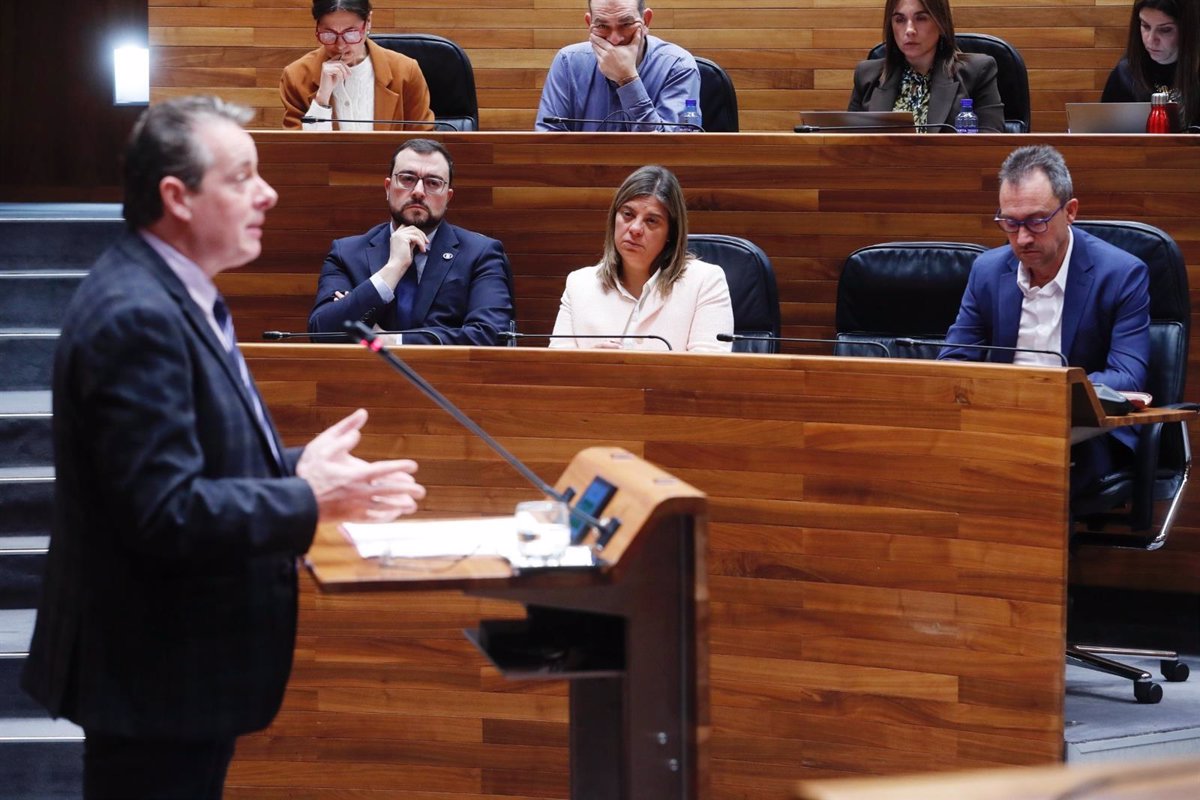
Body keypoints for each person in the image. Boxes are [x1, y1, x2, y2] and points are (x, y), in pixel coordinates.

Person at [20, 95, 426, 800]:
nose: (267, 193)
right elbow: (161, 512)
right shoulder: (135, 315)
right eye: (242, 177)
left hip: (173, 668)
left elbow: (186, 460)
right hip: (152, 674)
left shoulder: (174, 290)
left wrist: (297, 466)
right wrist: (307, 499)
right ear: (177, 196)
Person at [939, 144, 1151, 497]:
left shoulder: (1121, 274)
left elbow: (1127, 376)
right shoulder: (987, 272)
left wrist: (1037, 396)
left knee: (1027, 473)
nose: (1022, 237)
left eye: (1036, 221)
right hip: (1001, 426)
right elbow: (954, 362)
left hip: (1083, 430)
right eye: (1010, 222)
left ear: (1070, 212)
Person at [308, 138, 514, 345]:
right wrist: (393, 269)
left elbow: (491, 336)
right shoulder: (346, 253)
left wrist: (393, 341)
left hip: (448, 376)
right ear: (388, 187)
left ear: (448, 197)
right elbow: (321, 333)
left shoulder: (480, 254)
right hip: (363, 375)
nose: (418, 191)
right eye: (407, 179)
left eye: (433, 183)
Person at [550, 165, 733, 352]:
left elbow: (709, 374)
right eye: (628, 214)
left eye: (651, 220)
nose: (635, 228)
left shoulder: (705, 282)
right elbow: (555, 373)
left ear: (671, 231)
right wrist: (593, 366)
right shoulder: (579, 284)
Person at [536, 0, 701, 131]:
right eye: (602, 26)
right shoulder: (567, 62)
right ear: (589, 24)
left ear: (645, 21)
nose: (615, 39)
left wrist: (627, 80)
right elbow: (548, 143)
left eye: (626, 24)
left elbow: (673, 152)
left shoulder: (679, 66)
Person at [848, 0, 1005, 132]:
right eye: (900, 20)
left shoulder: (978, 71)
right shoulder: (867, 75)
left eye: (921, 18)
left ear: (941, 22)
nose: (909, 30)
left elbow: (990, 146)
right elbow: (848, 145)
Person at [279, 0, 433, 130]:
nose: (340, 45)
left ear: (368, 22)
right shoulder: (295, 76)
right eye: (329, 34)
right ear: (317, 27)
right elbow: (299, 151)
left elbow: (423, 142)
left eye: (350, 33)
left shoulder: (406, 71)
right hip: (326, 166)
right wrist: (321, 100)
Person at [1102, 0, 1200, 130]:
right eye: (1145, 26)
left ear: (1189, 30)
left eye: (1165, 30)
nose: (1150, 40)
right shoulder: (1125, 73)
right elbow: (1104, 137)